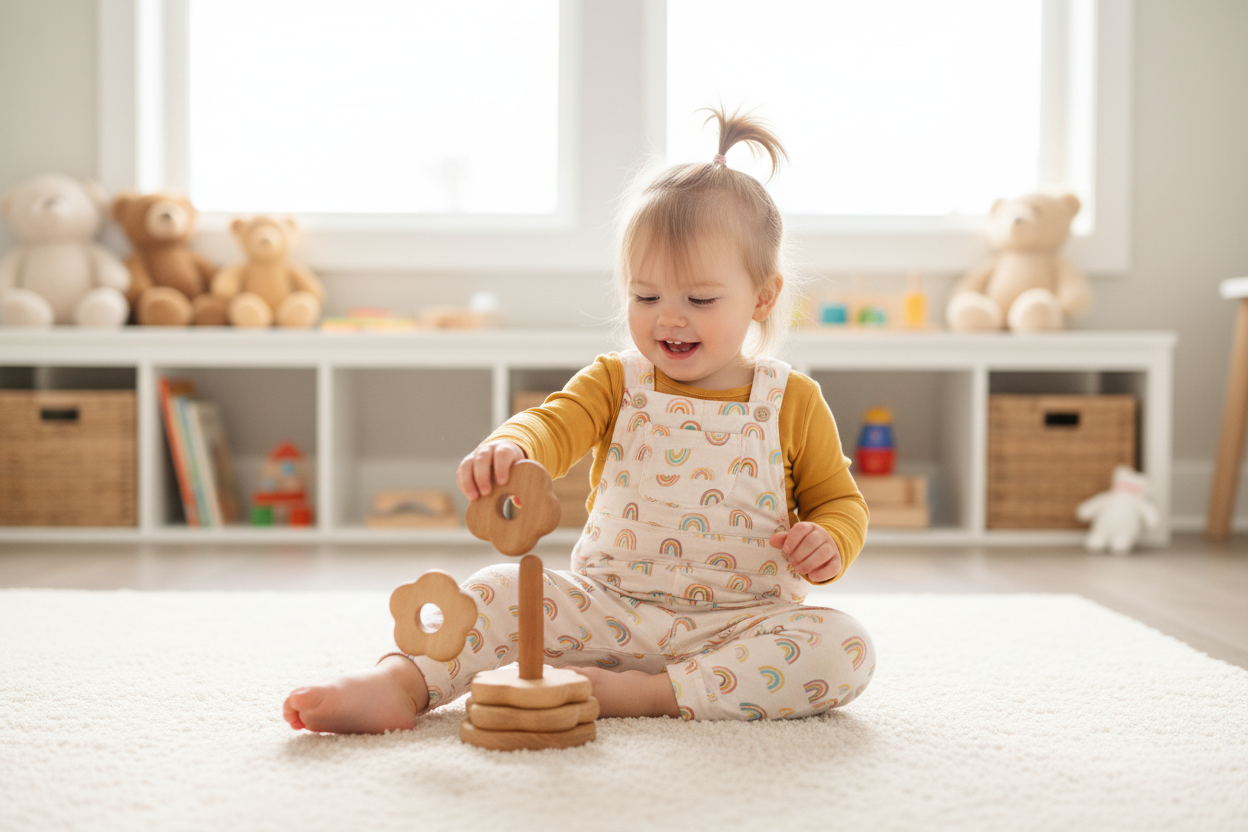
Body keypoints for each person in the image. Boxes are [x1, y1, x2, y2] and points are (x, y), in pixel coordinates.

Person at [283, 107, 874, 733]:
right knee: (500, 589)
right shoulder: (619, 381)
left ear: (763, 296)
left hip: (738, 625)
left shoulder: (792, 400)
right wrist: (513, 444)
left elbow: (841, 503)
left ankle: (652, 695)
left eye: (699, 299)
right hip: (605, 613)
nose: (669, 318)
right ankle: (402, 682)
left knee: (846, 647)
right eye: (646, 296)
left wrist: (830, 541)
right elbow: (555, 423)